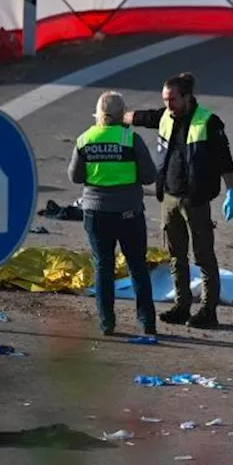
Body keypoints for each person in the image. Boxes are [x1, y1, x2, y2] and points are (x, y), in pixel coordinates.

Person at [124, 72, 233, 330]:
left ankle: (208, 311)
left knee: (204, 257)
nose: (168, 105)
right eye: (165, 99)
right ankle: (181, 305)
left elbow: (225, 160)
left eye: (172, 99)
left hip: (196, 202)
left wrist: (232, 191)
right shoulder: (165, 116)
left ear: (187, 97)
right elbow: (142, 117)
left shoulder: (209, 122)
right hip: (170, 199)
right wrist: (117, 116)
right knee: (176, 256)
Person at [68, 91, 160, 337]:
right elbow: (150, 175)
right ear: (123, 114)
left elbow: (75, 176)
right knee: (137, 266)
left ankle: (107, 322)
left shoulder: (85, 139)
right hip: (129, 212)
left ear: (98, 114)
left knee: (104, 267)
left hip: (96, 213)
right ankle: (147, 322)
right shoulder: (131, 139)